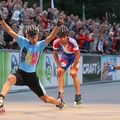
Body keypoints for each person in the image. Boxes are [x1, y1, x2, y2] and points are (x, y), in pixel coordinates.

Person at [0, 16, 64, 115]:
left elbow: (51, 36)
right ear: (27, 36)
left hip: (32, 77)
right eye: (31, 36)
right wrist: (1, 20)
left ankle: (59, 102)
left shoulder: (40, 45)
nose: (33, 39)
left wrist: (58, 26)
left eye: (35, 36)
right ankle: (1, 100)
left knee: (45, 99)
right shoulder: (23, 41)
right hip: (21, 73)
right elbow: (9, 31)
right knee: (10, 78)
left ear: (38, 36)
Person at [53, 25, 81, 107]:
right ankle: (60, 96)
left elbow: (77, 55)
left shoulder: (73, 42)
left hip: (74, 56)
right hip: (66, 55)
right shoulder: (56, 42)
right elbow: (55, 54)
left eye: (63, 37)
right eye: (60, 37)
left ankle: (78, 98)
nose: (61, 40)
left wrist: (74, 68)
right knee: (60, 72)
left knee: (73, 74)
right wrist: (58, 66)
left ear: (67, 36)